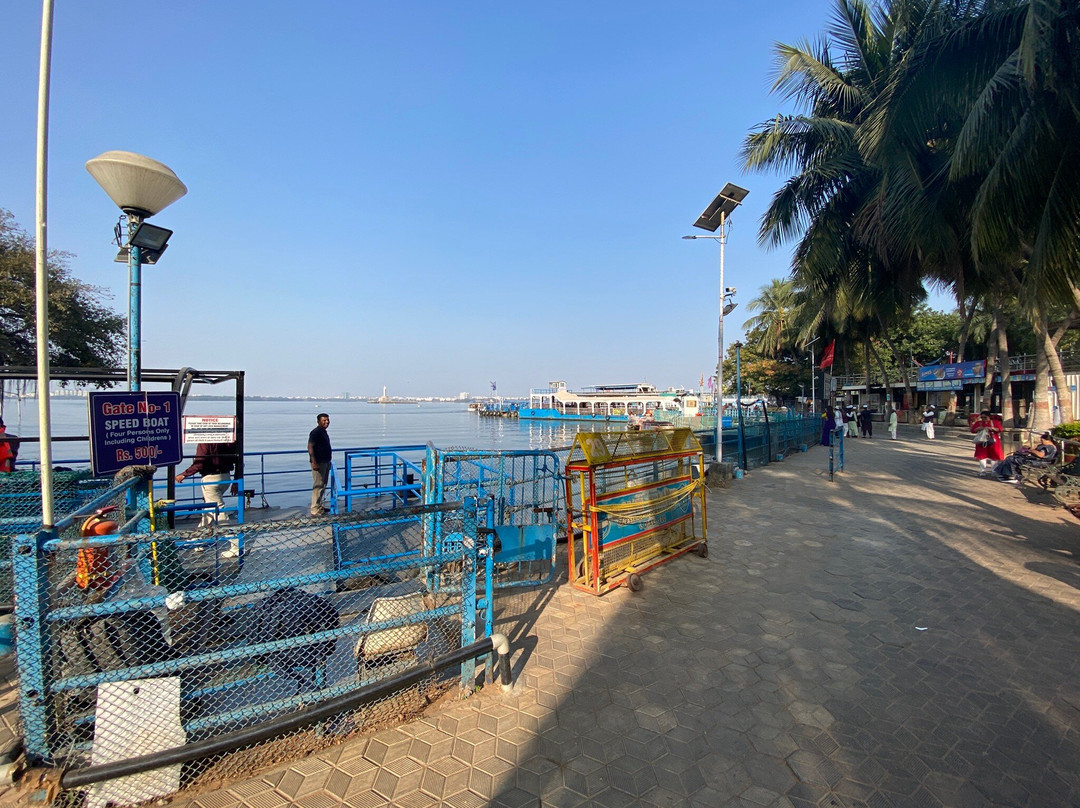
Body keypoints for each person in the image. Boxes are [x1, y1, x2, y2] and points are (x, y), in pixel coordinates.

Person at [176, 442, 237, 530]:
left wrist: (184, 475)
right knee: (209, 508)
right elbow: (238, 461)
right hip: (226, 477)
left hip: (210, 480)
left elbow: (199, 463)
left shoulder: (205, 441)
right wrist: (235, 481)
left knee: (218, 509)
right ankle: (198, 537)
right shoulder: (228, 439)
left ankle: (233, 538)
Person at [993, 432, 1058, 483]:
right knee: (1014, 457)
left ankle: (1005, 474)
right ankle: (1006, 474)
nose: (1041, 442)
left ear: (1048, 440)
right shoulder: (1051, 446)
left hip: (1037, 462)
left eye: (1042, 440)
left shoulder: (1049, 447)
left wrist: (1031, 450)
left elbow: (1041, 455)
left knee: (1010, 458)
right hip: (1039, 461)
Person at [308, 413, 332, 516]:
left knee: (323, 484)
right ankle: (314, 509)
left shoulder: (323, 432)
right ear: (318, 421)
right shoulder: (315, 432)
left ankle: (319, 505)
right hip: (319, 462)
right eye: (324, 420)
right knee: (318, 485)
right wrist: (314, 462)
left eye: (327, 420)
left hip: (325, 461)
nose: (326, 422)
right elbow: (310, 447)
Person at [970, 409, 1004, 476]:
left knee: (994, 456)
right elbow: (973, 430)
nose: (983, 419)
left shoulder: (995, 422)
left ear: (989, 417)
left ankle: (994, 470)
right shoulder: (978, 423)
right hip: (982, 441)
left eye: (985, 417)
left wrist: (992, 428)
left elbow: (1000, 429)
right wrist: (979, 428)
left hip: (993, 441)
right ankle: (983, 470)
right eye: (982, 417)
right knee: (982, 456)